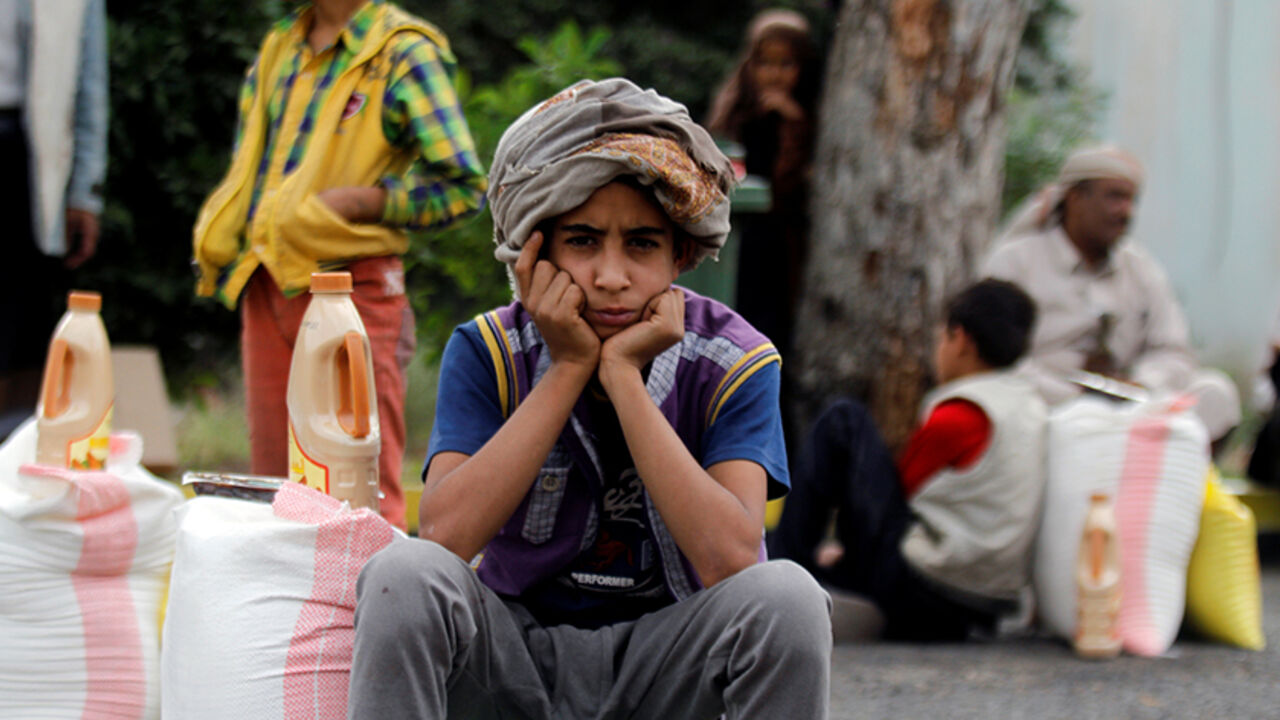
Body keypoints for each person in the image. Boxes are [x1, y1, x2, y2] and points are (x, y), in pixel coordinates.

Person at [347, 78, 832, 719]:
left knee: (790, 597)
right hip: (512, 662)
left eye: (641, 244)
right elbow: (444, 533)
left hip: (666, 667)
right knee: (402, 575)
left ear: (682, 253)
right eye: (581, 241)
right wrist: (571, 365)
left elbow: (732, 559)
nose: (610, 277)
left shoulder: (735, 361)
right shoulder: (489, 351)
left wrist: (626, 380)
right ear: (535, 253)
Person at [192, 0, 487, 530]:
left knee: (357, 482)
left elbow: (464, 188)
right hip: (270, 281)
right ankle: (287, 613)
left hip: (356, 287)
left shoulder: (402, 52)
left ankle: (374, 609)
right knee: (275, 491)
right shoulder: (279, 48)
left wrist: (365, 203)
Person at [771, 279, 1047, 642]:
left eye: (941, 337)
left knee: (844, 420)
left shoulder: (962, 412)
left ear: (960, 338)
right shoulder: (1031, 406)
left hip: (927, 587)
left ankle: (782, 574)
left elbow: (903, 488)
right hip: (988, 600)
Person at [984, 145, 1240, 442]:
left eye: (1132, 200)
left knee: (1215, 392)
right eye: (1115, 197)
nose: (1126, 212)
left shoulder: (1141, 268)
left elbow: (1174, 351)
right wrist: (1073, 397)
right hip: (1046, 405)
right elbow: (996, 357)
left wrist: (1140, 386)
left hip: (1129, 411)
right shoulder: (1017, 261)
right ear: (1075, 198)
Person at [0, 0, 108, 436]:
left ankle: (17, 453)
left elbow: (88, 83)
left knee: (19, 317)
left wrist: (85, 190)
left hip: (24, 152)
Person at [707, 8, 820, 360]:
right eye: (765, 63)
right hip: (737, 239)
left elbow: (792, 185)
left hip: (781, 247)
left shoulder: (810, 117)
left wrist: (795, 126)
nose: (774, 74)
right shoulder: (735, 110)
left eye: (786, 64)